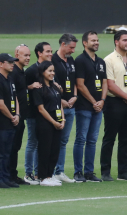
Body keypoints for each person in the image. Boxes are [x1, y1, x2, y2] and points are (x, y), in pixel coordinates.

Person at [101, 30, 127, 181]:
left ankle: (123, 172)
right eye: (125, 40)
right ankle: (105, 171)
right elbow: (110, 85)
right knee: (110, 138)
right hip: (114, 103)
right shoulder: (109, 60)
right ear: (116, 41)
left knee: (126, 138)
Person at [74, 31, 107, 182]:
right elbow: (80, 85)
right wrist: (94, 101)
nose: (96, 42)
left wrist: (102, 100)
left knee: (93, 140)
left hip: (98, 107)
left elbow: (105, 82)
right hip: (84, 107)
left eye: (97, 40)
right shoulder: (80, 60)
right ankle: (78, 172)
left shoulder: (101, 62)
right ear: (85, 43)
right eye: (93, 40)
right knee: (81, 139)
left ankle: (89, 172)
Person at [24, 42, 53, 185]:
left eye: (51, 51)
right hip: (33, 113)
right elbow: (20, 88)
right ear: (39, 53)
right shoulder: (30, 71)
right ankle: (28, 173)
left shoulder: (49, 69)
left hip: (46, 114)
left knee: (42, 143)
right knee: (32, 142)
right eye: (47, 51)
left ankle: (38, 173)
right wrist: (30, 86)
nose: (50, 54)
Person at [33, 61, 65, 186]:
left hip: (57, 122)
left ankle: (50, 174)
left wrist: (62, 120)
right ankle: (43, 177)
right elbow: (41, 109)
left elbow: (59, 104)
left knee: (54, 149)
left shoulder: (55, 87)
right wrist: (53, 122)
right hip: (45, 123)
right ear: (42, 72)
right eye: (50, 71)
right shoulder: (39, 88)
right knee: (45, 150)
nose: (52, 73)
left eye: (53, 71)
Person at [0, 53, 20, 189]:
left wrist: (17, 114)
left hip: (11, 122)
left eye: (13, 62)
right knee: (0, 152)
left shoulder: (9, 79)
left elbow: (15, 99)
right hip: (1, 123)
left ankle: (5, 177)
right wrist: (11, 116)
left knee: (7, 151)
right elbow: (0, 104)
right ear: (1, 64)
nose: (12, 64)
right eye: (9, 62)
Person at [52, 34, 78, 184]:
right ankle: (51, 170)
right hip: (57, 106)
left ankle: (60, 171)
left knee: (64, 140)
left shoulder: (71, 61)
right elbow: (50, 82)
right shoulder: (53, 60)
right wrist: (59, 100)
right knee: (54, 139)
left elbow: (73, 80)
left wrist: (74, 96)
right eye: (71, 47)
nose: (73, 51)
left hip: (71, 106)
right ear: (63, 44)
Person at [8, 44, 31, 185]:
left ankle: (13, 174)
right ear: (17, 55)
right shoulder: (14, 72)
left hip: (21, 115)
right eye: (25, 55)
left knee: (16, 146)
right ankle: (7, 175)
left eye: (29, 55)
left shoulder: (21, 71)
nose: (28, 58)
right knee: (10, 147)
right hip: (14, 116)